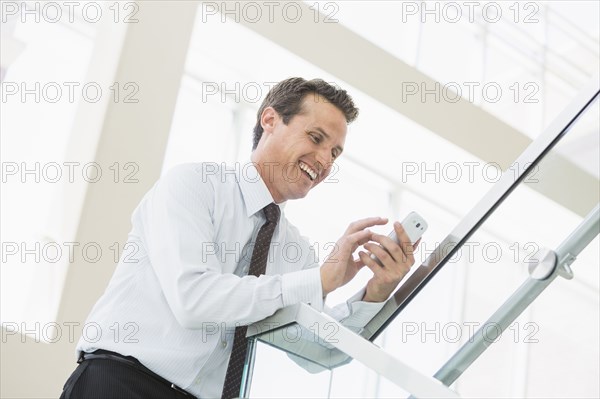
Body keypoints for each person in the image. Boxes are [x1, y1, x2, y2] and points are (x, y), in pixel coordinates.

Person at [59, 77, 418, 399]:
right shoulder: (193, 186)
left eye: (335, 152)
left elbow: (320, 352)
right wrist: (318, 280)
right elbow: (193, 299)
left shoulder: (295, 254)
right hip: (122, 385)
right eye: (316, 138)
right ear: (270, 121)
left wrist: (377, 292)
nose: (325, 160)